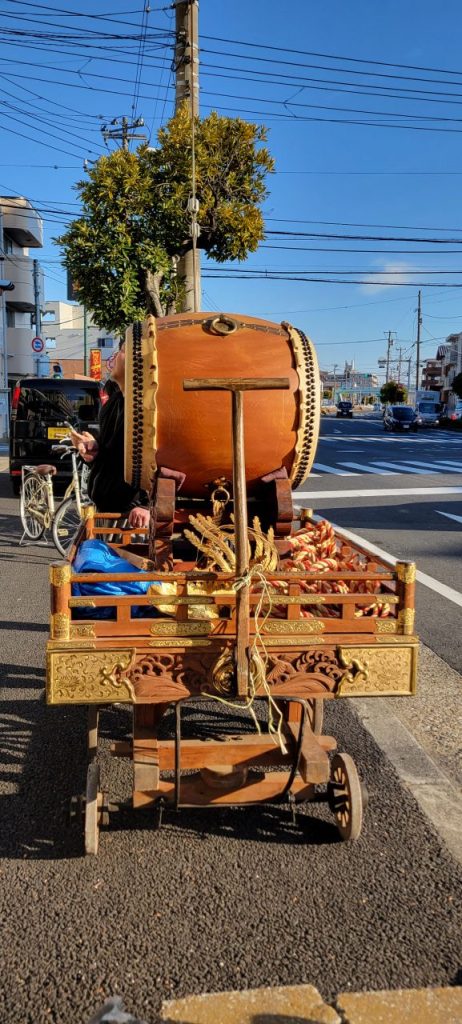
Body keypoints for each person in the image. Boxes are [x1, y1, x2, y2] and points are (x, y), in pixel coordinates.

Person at [70, 339, 150, 529]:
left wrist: (149, 505)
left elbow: (162, 457)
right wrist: (94, 449)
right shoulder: (116, 400)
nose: (114, 357)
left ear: (138, 360)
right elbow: (114, 453)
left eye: (121, 351)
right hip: (110, 512)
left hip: (134, 517)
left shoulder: (148, 404)